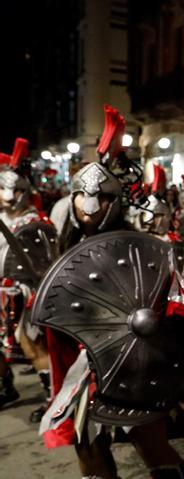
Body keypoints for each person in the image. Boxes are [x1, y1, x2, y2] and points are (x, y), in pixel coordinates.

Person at [35, 105, 184, 479]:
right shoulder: (67, 250)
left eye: (102, 196)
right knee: (87, 445)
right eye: (83, 195)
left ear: (116, 201)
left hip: (135, 361)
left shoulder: (138, 247)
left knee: (150, 443)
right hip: (87, 363)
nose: (91, 204)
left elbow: (172, 300)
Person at [0, 137, 56, 420]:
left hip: (25, 291)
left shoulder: (35, 223)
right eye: (3, 188)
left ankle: (53, 399)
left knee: (32, 345)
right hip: (1, 292)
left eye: (16, 189)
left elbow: (44, 263)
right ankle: (5, 386)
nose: (9, 195)